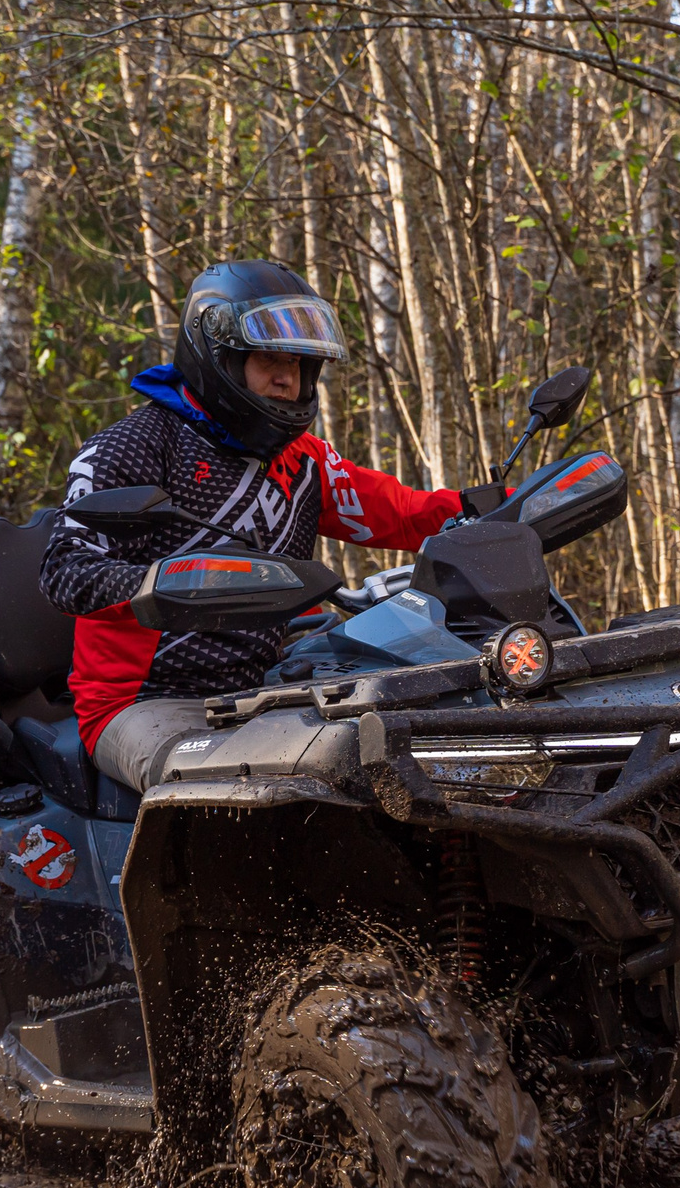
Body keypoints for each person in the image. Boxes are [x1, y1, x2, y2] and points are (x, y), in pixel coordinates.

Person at [40, 259, 463, 792]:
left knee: (417, 733)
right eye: (269, 360)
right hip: (146, 702)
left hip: (271, 683)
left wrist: (505, 509)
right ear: (218, 356)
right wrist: (166, 582)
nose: (287, 379)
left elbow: (406, 512)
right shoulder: (134, 445)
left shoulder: (304, 460)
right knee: (258, 786)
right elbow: (65, 571)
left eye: (300, 363)